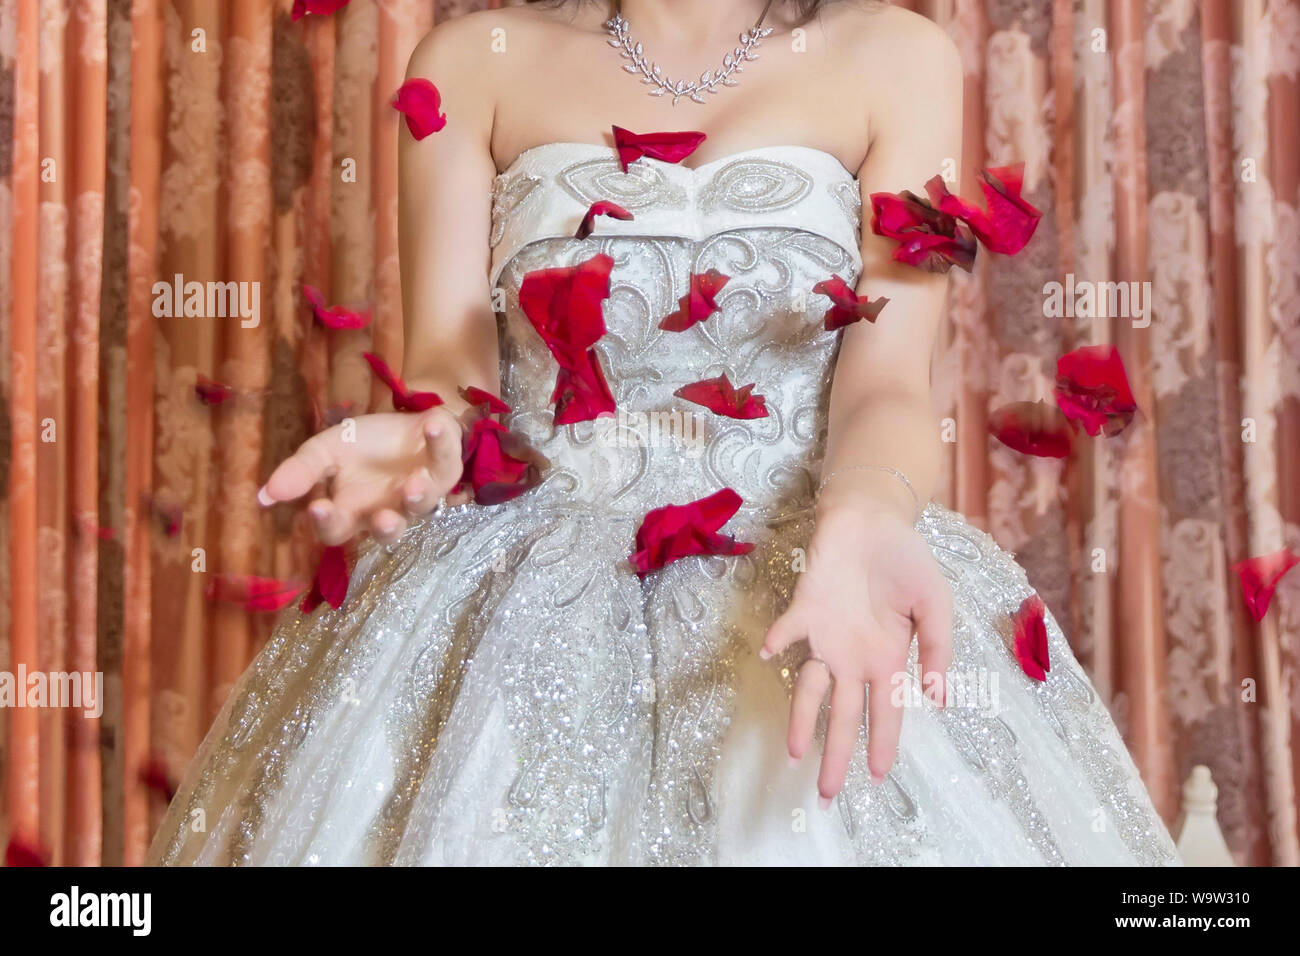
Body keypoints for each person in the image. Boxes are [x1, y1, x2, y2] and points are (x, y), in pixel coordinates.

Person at [150, 0, 1177, 865]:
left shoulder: (895, 58)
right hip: (516, 581)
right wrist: (425, 443)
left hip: (812, 567)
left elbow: (892, 381)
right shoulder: (470, 63)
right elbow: (453, 380)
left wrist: (864, 518)